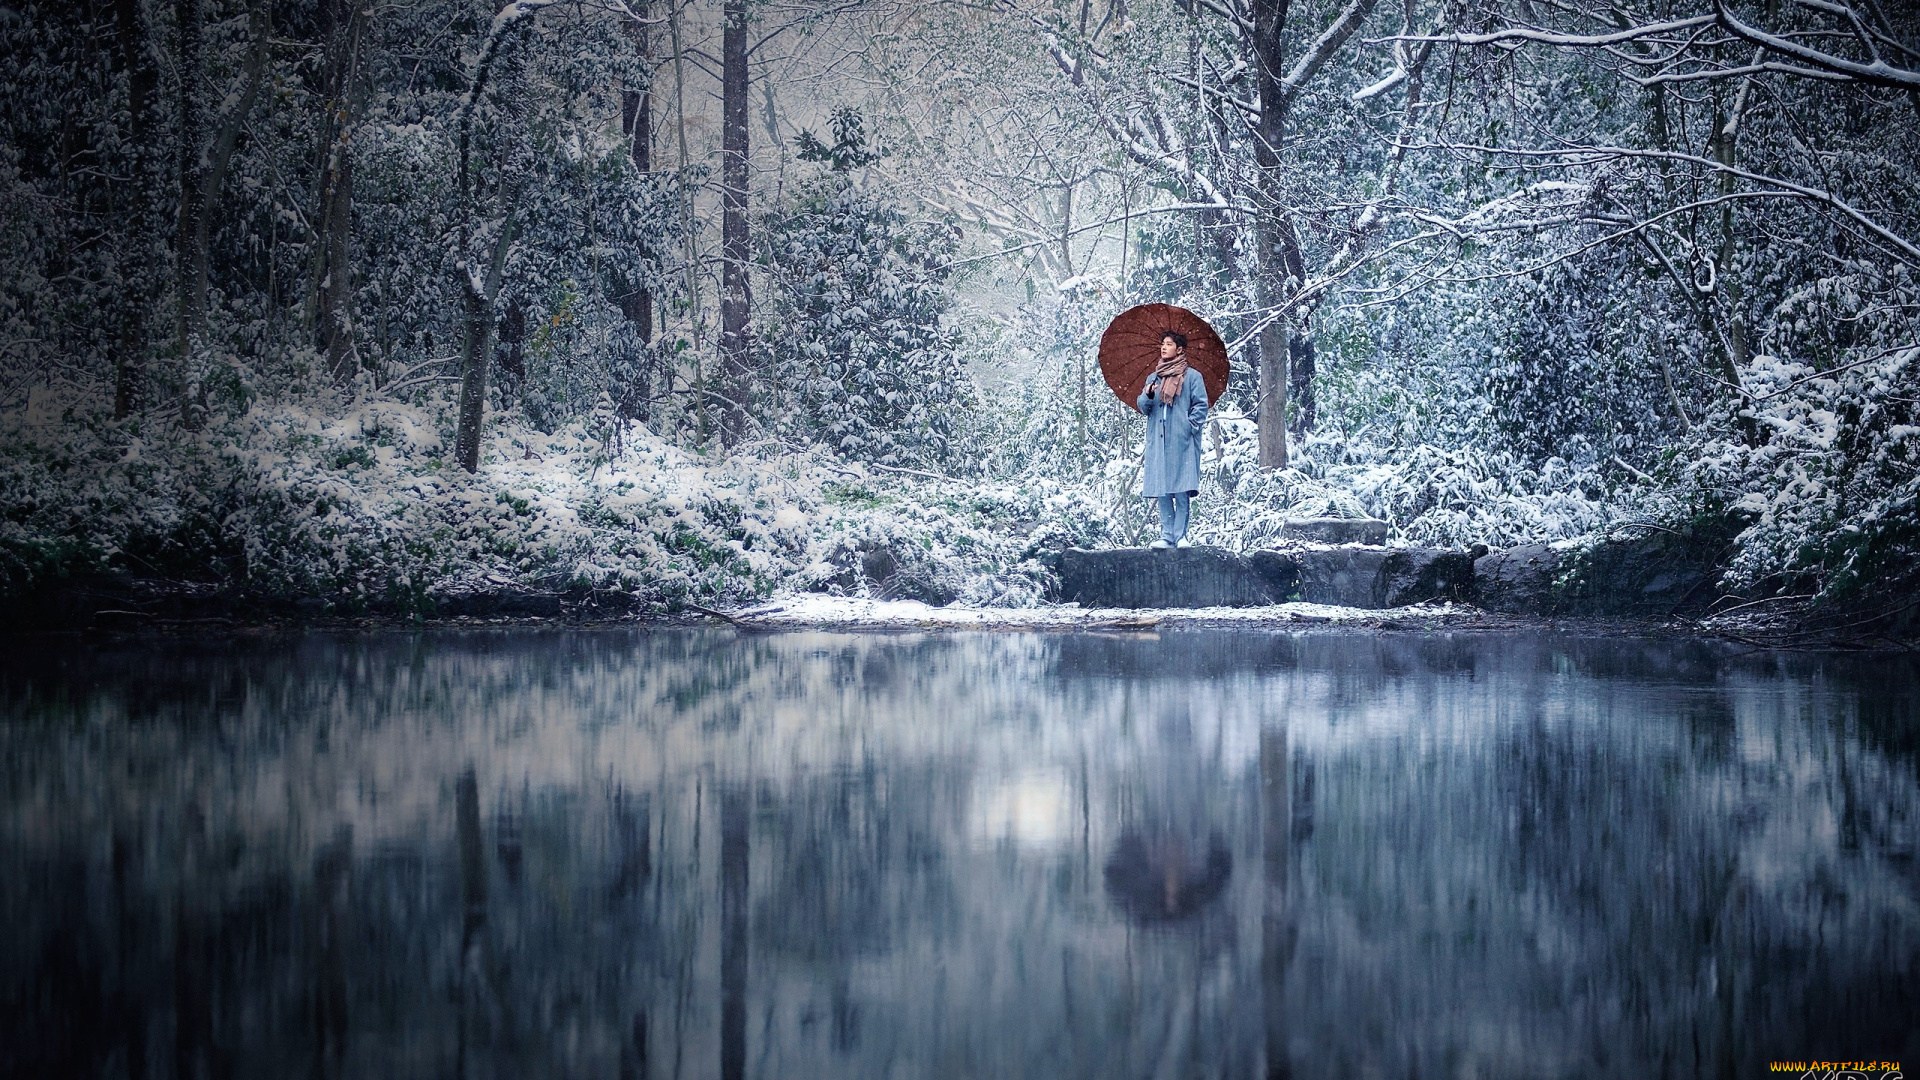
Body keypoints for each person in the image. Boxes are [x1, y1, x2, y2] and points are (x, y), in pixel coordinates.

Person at [1136, 330, 1209, 549]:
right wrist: (1148, 395)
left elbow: (1201, 405)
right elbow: (1143, 407)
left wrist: (1189, 426)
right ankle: (1166, 536)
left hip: (1182, 440)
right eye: (1162, 344)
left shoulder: (1192, 376)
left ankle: (1181, 536)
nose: (1163, 347)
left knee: (1181, 487)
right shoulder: (1154, 378)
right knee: (1163, 489)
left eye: (1168, 344)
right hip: (1159, 440)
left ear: (1179, 349)